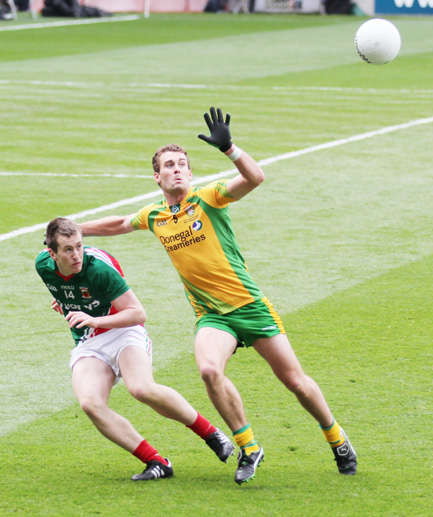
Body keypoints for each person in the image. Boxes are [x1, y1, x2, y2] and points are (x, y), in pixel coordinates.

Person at [79, 107, 357, 484]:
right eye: (169, 165)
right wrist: (73, 231)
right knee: (209, 370)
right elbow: (118, 223)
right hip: (213, 316)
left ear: (190, 174)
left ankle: (335, 436)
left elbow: (255, 178)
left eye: (182, 164)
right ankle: (249, 446)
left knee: (295, 381)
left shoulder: (208, 197)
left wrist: (231, 150)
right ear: (156, 176)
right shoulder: (155, 215)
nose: (177, 169)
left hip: (250, 307)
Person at [36, 217, 234, 481]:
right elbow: (65, 286)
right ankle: (156, 461)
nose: (76, 255)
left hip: (124, 331)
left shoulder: (99, 269)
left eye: (79, 246)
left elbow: (137, 313)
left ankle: (211, 434)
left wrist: (95, 318)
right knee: (90, 403)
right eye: (68, 250)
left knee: (142, 388)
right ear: (52, 253)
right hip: (90, 341)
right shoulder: (42, 265)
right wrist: (64, 298)